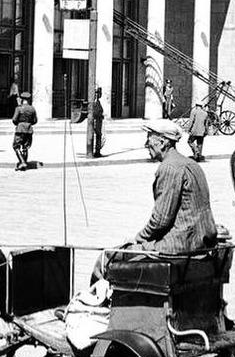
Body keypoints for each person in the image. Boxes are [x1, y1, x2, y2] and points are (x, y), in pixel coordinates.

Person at [91, 119, 218, 279]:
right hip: (201, 241)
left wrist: (137, 240)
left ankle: (96, 300)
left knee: (106, 257)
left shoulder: (169, 168)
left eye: (149, 139)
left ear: (163, 142)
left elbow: (160, 220)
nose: (145, 144)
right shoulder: (191, 164)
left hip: (179, 245)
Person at [12, 91, 37, 171]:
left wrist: (19, 124)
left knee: (16, 146)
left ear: (22, 99)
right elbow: (35, 120)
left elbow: (14, 119)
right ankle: (24, 163)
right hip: (29, 129)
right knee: (25, 147)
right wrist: (29, 123)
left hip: (20, 129)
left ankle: (22, 162)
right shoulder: (32, 109)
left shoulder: (19, 108)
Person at [91, 86, 105, 157]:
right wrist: (100, 115)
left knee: (99, 136)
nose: (99, 95)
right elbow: (95, 112)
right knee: (98, 135)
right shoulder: (94, 102)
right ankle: (96, 151)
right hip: (96, 121)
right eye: (98, 93)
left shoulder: (98, 101)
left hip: (99, 121)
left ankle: (97, 150)